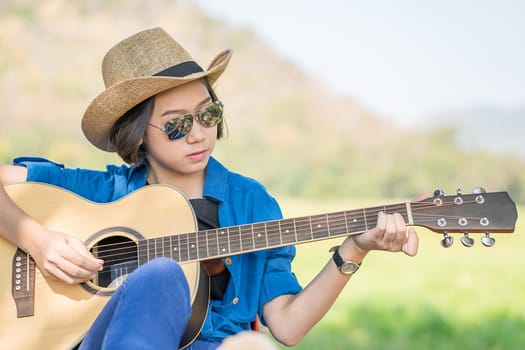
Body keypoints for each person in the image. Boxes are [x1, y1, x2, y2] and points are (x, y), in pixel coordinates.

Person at [0, 27, 419, 349]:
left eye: (208, 113)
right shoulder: (97, 193)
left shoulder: (251, 202)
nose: (199, 133)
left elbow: (288, 326)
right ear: (137, 134)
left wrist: (353, 250)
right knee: (162, 273)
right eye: (177, 124)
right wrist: (37, 240)